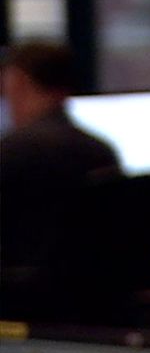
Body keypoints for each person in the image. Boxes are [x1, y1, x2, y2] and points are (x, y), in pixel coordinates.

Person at [0, 42, 123, 309]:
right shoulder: (101, 152)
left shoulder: (11, 151)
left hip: (23, 305)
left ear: (19, 82)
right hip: (97, 301)